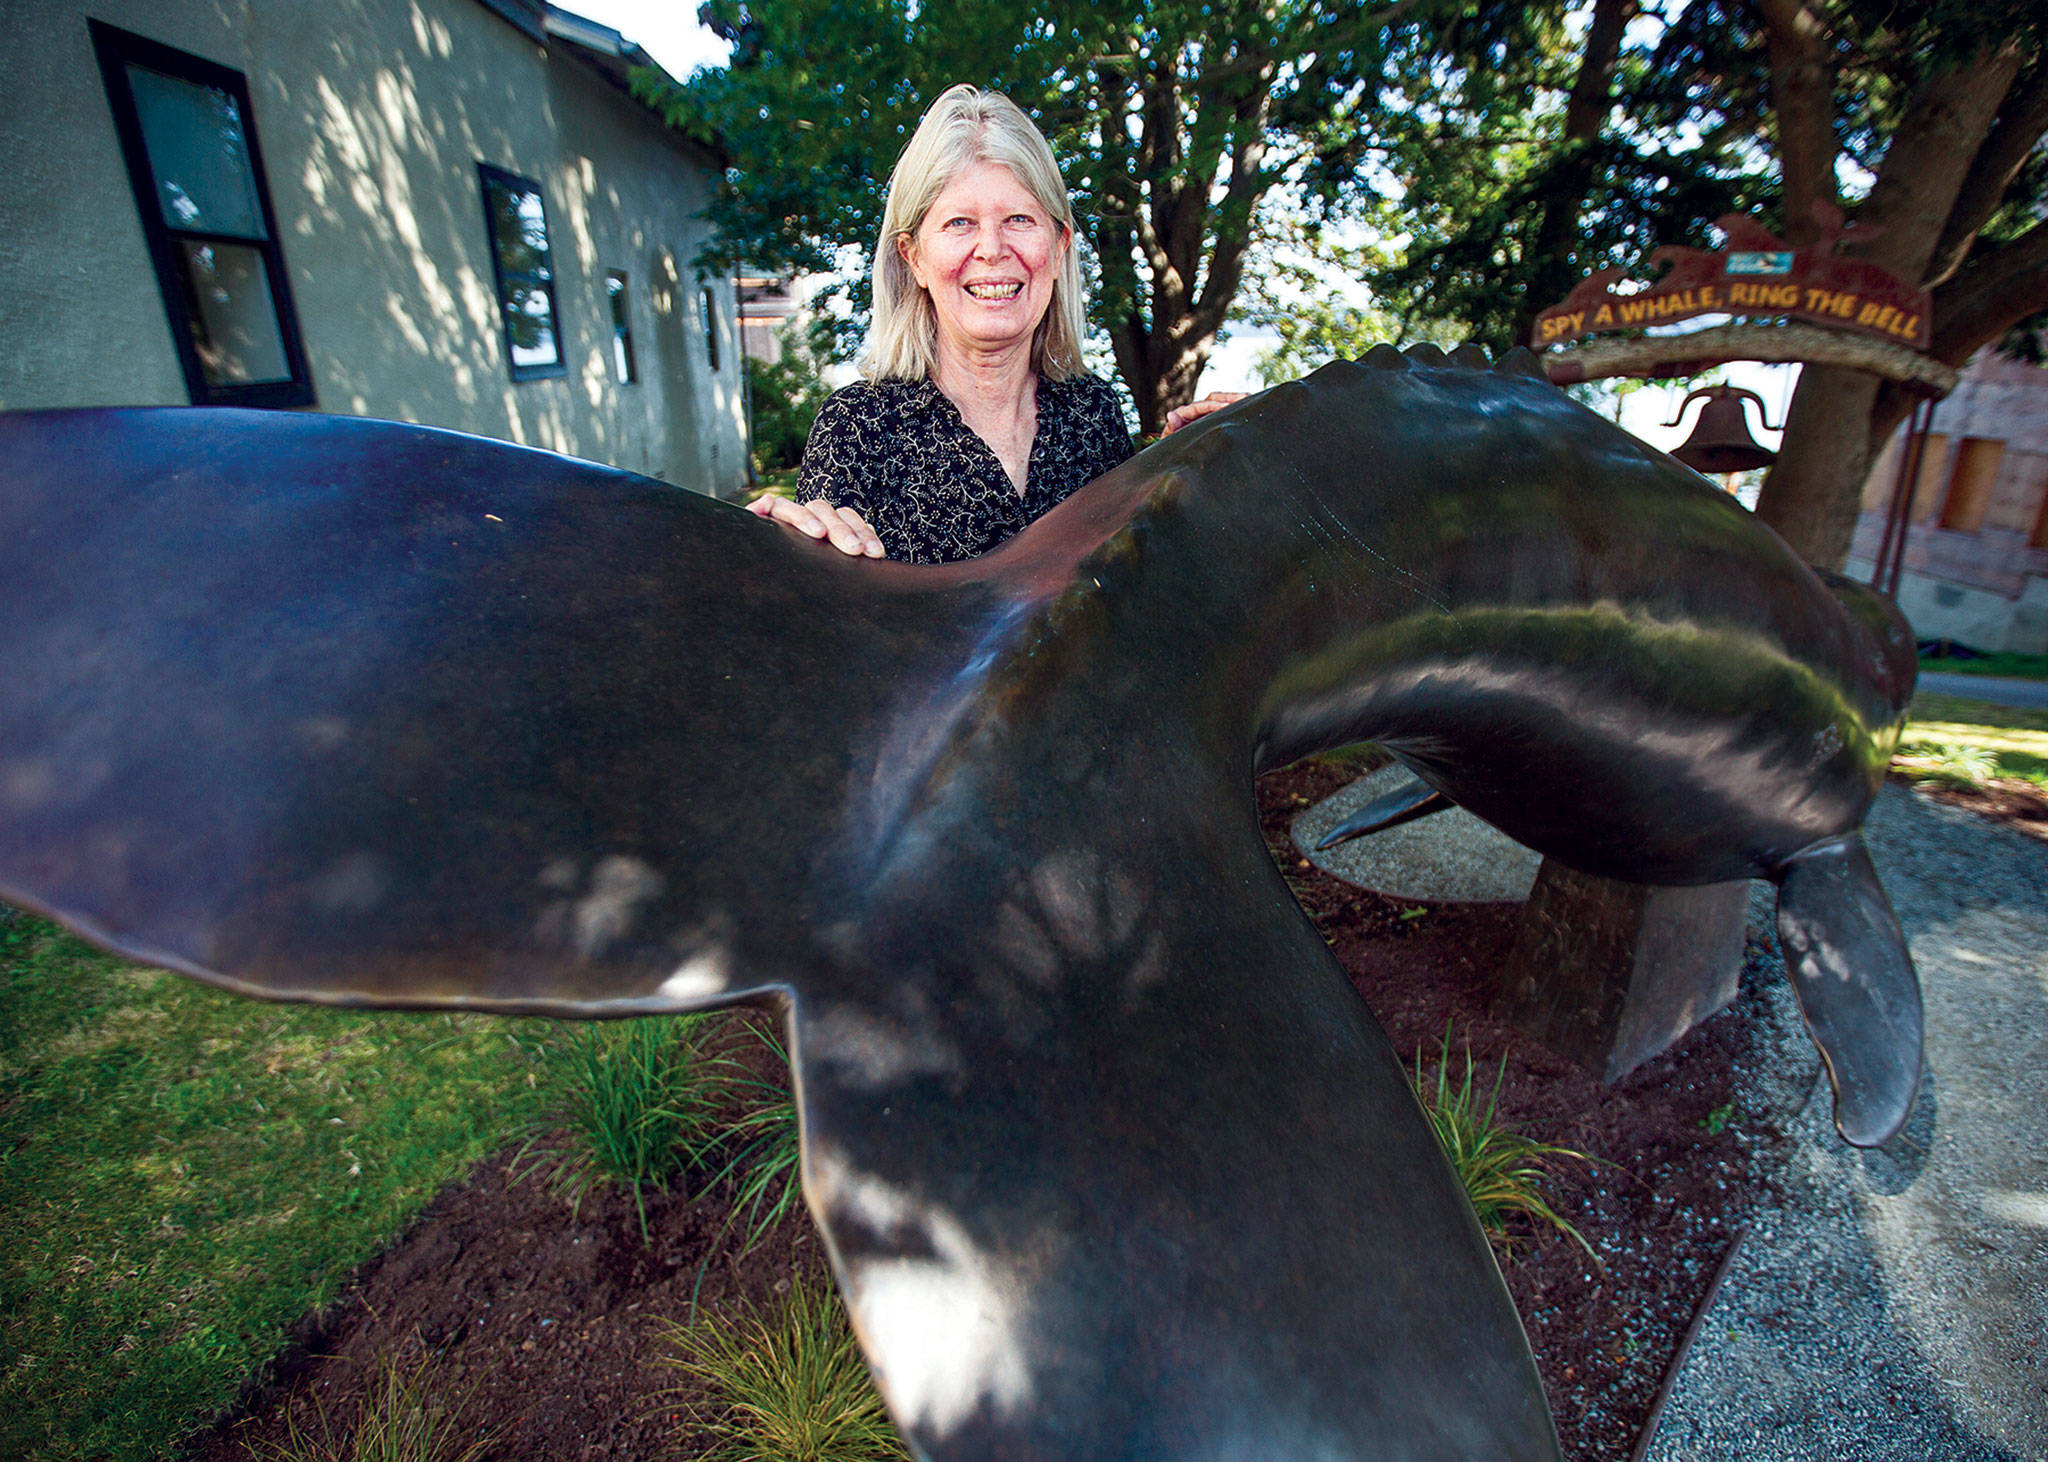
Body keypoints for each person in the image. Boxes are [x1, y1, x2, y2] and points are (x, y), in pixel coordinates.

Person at [747, 84, 1241, 563]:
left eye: (1019, 220)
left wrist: (1208, 463)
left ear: (1058, 247)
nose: (991, 249)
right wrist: (769, 558)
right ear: (913, 256)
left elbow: (1132, 604)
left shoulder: (1094, 415)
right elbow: (826, 629)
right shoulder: (854, 431)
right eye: (959, 222)